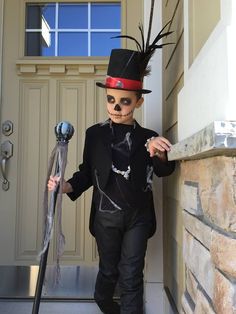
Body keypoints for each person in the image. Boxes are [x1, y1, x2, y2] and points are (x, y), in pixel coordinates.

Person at [48, 39, 175, 314]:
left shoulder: (148, 138)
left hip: (138, 217)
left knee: (131, 276)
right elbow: (86, 173)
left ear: (138, 101)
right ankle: (104, 300)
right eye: (111, 99)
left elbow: (165, 171)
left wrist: (158, 153)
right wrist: (66, 186)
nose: (116, 107)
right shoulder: (94, 135)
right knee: (109, 273)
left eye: (124, 101)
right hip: (105, 216)